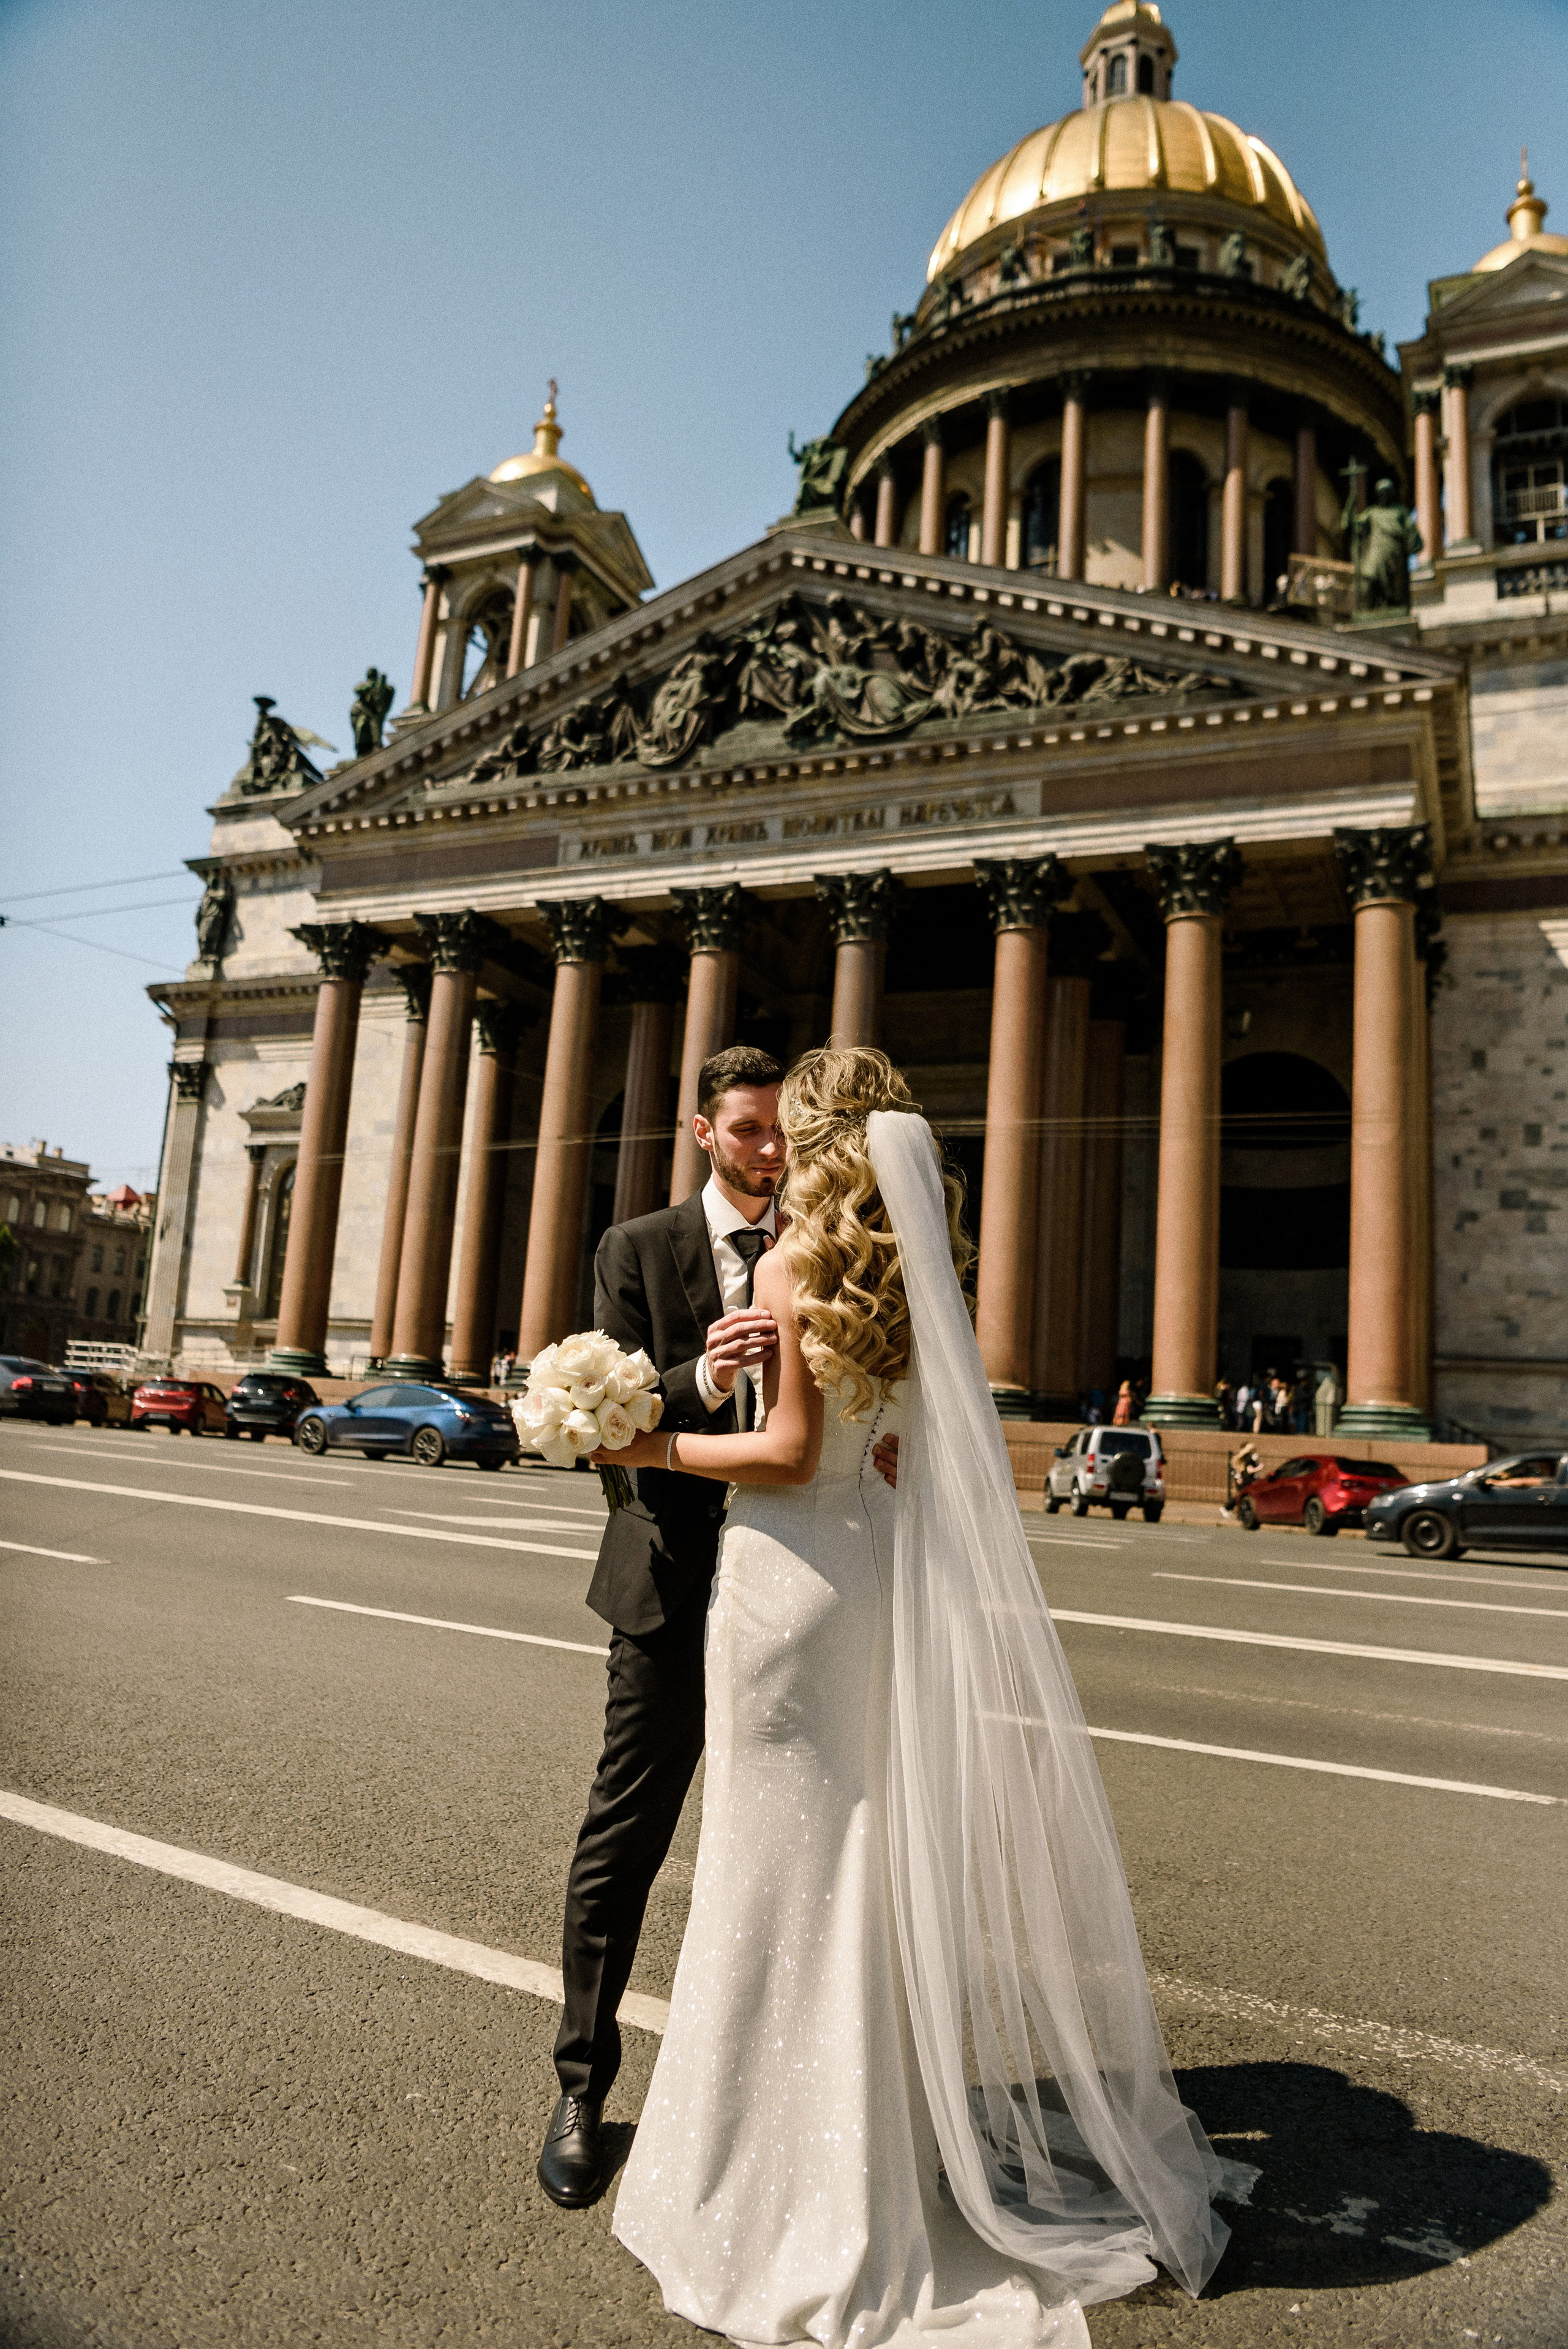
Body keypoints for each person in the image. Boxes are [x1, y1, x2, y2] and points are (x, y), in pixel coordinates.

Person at [597, 1049, 1227, 2345]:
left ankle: (762, 2178)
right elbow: (884, 1444)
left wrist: (641, 1440)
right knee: (849, 1866)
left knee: (770, 1871)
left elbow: (781, 1455)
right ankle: (868, 2159)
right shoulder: (902, 1267)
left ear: (813, 1138)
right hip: (867, 1582)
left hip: (785, 1590)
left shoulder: (792, 1263)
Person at [537, 1043, 901, 2208]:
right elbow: (604, 1419)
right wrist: (701, 1376)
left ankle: (788, 2103)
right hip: (672, 1584)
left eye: (782, 1133)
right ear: (705, 1133)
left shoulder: (839, 1252)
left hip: (797, 1589)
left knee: (797, 1849)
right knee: (625, 1839)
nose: (770, 1150)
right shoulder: (638, 1247)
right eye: (747, 1131)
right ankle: (581, 2088)